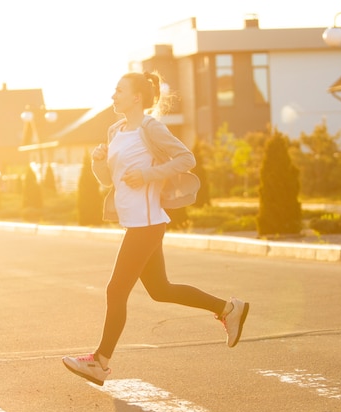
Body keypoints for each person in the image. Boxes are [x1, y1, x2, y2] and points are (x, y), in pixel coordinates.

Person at [62, 71, 249, 386]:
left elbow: (185, 158)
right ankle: (228, 309)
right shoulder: (115, 130)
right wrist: (97, 161)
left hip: (147, 222)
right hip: (136, 222)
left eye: (118, 90)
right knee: (161, 290)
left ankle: (100, 362)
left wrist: (149, 175)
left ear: (137, 97)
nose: (113, 96)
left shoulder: (151, 128)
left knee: (115, 289)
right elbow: (109, 180)